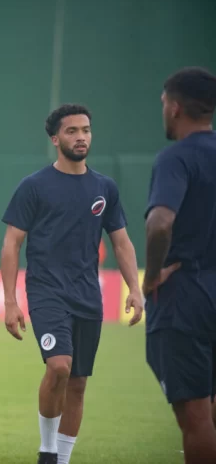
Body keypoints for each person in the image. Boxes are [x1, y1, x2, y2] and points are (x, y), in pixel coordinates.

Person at [0, 104, 143, 464]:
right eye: (72, 131)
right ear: (55, 139)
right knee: (59, 366)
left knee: (78, 382)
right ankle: (47, 452)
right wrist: (10, 301)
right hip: (46, 290)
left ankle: (62, 460)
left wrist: (135, 289)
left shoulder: (104, 187)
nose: (81, 137)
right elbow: (12, 243)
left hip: (87, 295)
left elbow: (121, 241)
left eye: (86, 130)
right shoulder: (34, 186)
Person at [142, 66, 216, 464]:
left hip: (188, 292)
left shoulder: (176, 158)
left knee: (195, 416)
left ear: (174, 107)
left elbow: (160, 223)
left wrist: (152, 273)